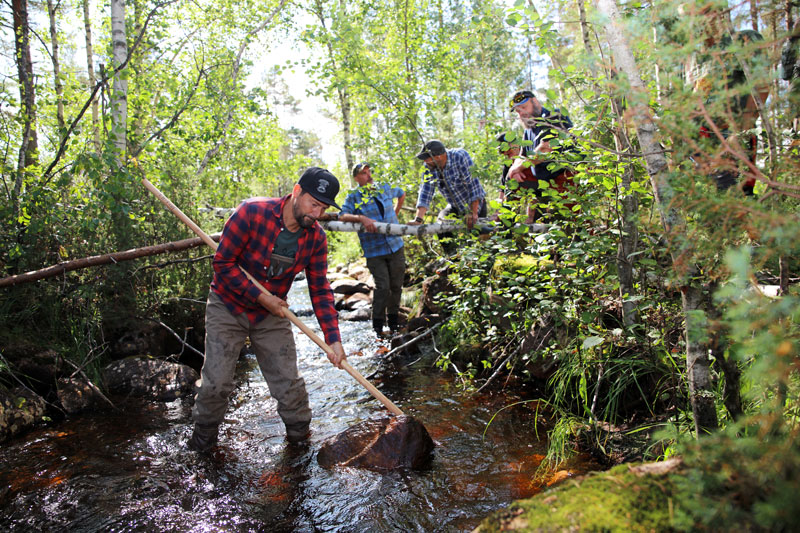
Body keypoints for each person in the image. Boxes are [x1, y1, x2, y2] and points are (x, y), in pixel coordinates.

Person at [188, 167, 347, 452]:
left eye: (323, 208)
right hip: (228, 306)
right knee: (216, 384)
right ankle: (202, 446)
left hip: (270, 315)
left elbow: (320, 290)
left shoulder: (316, 239)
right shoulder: (251, 213)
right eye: (313, 204)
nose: (317, 213)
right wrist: (262, 298)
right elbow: (222, 265)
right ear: (296, 192)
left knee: (290, 386)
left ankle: (300, 446)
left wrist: (333, 339)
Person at [682, 1, 770, 195]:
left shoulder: (744, 40)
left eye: (705, 13)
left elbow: (762, 83)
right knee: (710, 201)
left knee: (737, 194)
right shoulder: (693, 59)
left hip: (732, 134)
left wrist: (744, 126)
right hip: (703, 143)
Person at [326, 162, 407, 337]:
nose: (368, 175)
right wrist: (361, 218)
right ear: (356, 178)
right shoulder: (354, 196)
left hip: (395, 245)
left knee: (396, 286)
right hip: (374, 250)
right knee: (383, 286)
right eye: (364, 173)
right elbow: (342, 215)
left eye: (369, 171)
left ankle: (393, 324)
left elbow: (401, 193)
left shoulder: (384, 187)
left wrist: (396, 212)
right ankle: (378, 326)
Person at [506, 90, 577, 217]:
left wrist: (518, 167)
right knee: (511, 178)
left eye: (523, 107)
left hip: (566, 177)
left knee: (572, 222)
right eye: (518, 111)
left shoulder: (554, 116)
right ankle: (508, 226)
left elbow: (545, 150)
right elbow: (521, 156)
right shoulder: (528, 130)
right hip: (543, 180)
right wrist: (514, 170)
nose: (521, 113)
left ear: (535, 102)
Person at [410, 140, 487, 251]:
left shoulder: (460, 156)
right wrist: (418, 219)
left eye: (428, 158)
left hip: (475, 205)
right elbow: (425, 193)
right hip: (454, 206)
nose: (426, 161)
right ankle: (454, 260)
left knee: (478, 240)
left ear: (439, 156)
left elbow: (473, 186)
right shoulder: (428, 167)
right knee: (441, 226)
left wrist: (473, 212)